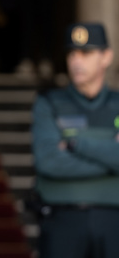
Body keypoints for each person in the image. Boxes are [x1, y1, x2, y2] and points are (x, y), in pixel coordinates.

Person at [32, 22, 119, 258]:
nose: (76, 61)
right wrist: (111, 155)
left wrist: (75, 144)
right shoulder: (49, 103)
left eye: (86, 53)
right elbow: (49, 161)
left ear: (106, 57)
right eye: (72, 53)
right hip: (62, 223)